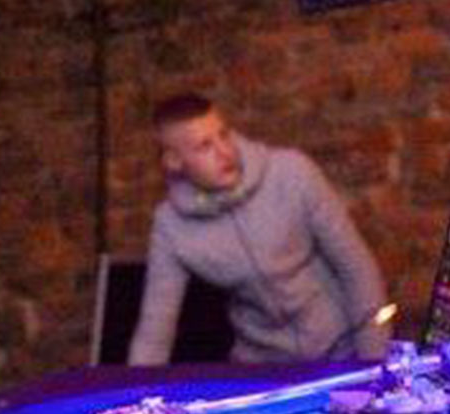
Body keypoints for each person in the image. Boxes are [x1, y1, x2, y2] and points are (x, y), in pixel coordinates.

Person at [127, 94, 392, 365]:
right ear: (173, 161)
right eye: (205, 146)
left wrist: (373, 361)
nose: (224, 152)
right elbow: (155, 328)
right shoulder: (171, 225)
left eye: (224, 135)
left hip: (342, 349)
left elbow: (355, 266)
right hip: (263, 365)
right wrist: (136, 389)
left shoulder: (293, 172)